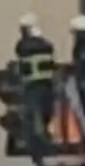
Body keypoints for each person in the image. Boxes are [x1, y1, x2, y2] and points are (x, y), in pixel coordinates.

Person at [14, 12, 56, 141]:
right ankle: (42, 135)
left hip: (32, 85)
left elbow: (22, 50)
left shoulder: (24, 45)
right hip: (46, 84)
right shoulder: (46, 45)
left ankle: (39, 137)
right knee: (44, 112)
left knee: (36, 112)